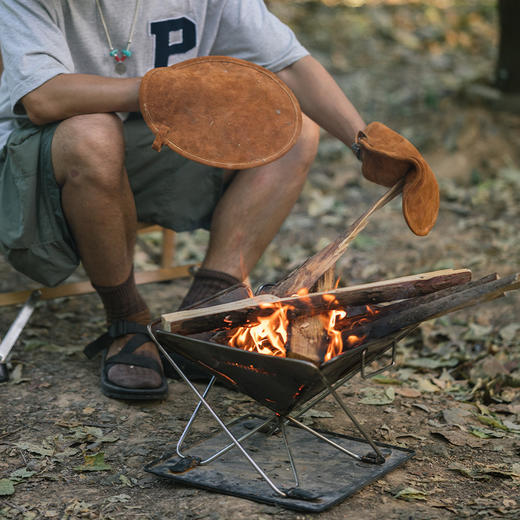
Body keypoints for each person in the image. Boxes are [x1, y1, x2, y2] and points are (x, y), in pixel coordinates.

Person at [0, 1, 418, 400]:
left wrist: (363, 143)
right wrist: (167, 88)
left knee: (293, 127)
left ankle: (206, 312)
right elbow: (44, 99)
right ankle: (127, 321)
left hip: (151, 145)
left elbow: (288, 65)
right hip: (44, 161)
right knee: (93, 131)